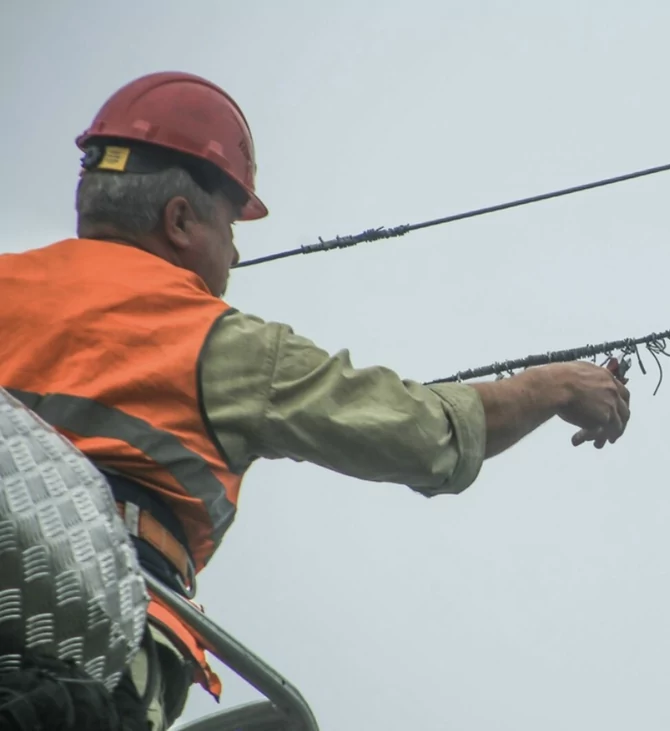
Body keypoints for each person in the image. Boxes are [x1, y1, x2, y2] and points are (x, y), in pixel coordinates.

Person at [0, 70, 632, 730]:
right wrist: (552, 385)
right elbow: (424, 436)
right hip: (99, 657)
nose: (236, 253)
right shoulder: (212, 342)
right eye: (229, 225)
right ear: (181, 219)